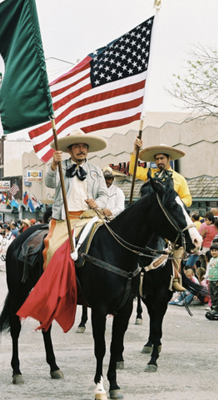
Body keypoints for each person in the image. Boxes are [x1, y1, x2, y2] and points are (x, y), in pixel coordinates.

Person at [19, 131, 109, 331]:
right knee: (52, 250)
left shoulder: (95, 170)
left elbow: (104, 194)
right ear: (69, 150)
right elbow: (49, 183)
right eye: (77, 146)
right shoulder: (60, 166)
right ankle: (52, 292)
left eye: (84, 146)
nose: (81, 150)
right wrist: (53, 164)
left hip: (89, 217)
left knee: (108, 245)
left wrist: (98, 203)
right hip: (65, 218)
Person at [131, 141, 193, 291]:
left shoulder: (179, 178)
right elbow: (133, 169)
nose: (159, 161)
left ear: (168, 159)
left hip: (169, 220)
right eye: (157, 159)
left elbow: (188, 199)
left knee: (178, 246)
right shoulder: (150, 175)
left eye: (162, 158)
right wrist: (135, 150)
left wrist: (173, 204)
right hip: (151, 220)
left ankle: (175, 277)